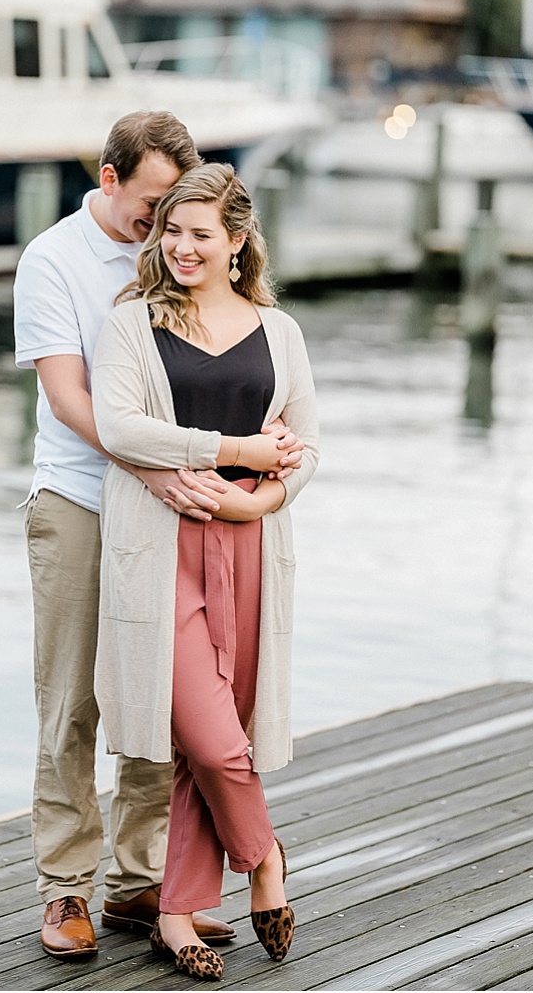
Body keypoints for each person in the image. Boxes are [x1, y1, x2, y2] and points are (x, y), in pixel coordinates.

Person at [14, 112, 248, 961]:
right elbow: (71, 401)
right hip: (79, 498)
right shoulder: (53, 259)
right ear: (108, 179)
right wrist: (153, 468)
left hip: (166, 506)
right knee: (71, 698)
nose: (161, 222)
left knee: (161, 695)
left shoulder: (176, 256)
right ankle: (65, 888)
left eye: (175, 208)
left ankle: (139, 881)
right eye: (150, 202)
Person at [92, 162, 320, 981]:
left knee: (206, 742)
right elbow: (120, 427)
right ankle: (264, 860)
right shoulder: (131, 323)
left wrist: (262, 500)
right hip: (159, 550)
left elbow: (306, 445)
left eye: (199, 234)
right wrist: (233, 454)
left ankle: (178, 908)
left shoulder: (278, 329)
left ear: (235, 242)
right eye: (170, 231)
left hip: (249, 550)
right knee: (217, 741)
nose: (180, 248)